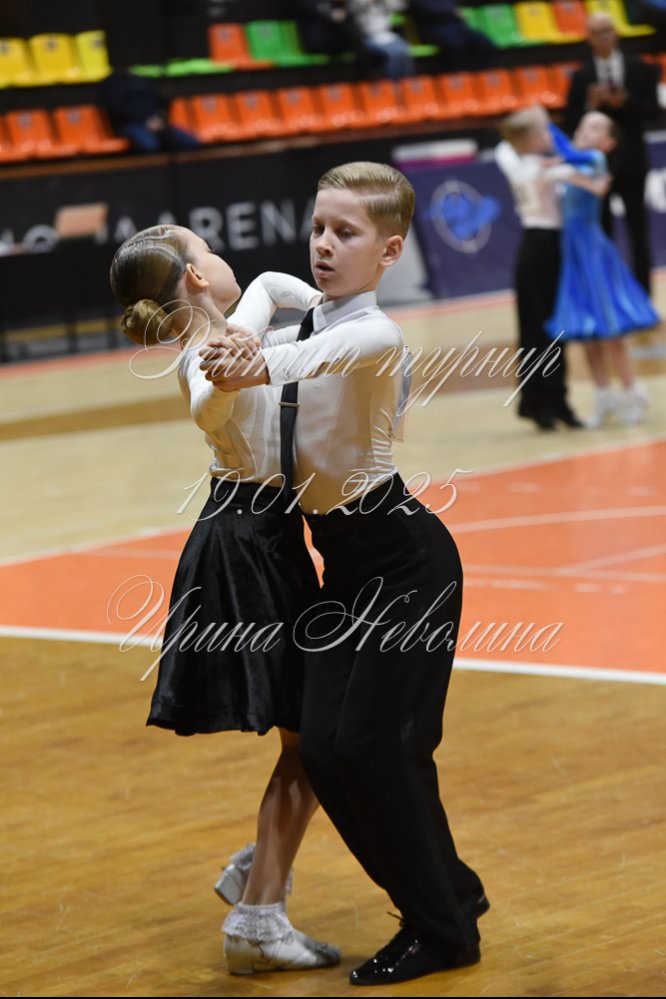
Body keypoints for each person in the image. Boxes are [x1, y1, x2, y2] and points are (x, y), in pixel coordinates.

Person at [200, 161, 488, 986]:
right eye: (319, 227)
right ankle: (449, 891)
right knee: (324, 752)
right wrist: (238, 330)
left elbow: (289, 361)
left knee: (375, 748)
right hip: (348, 569)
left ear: (390, 251)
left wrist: (244, 348)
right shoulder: (310, 319)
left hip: (406, 563)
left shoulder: (375, 337)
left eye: (347, 232)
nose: (324, 244)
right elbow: (267, 299)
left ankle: (441, 930)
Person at [109, 226, 340, 974]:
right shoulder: (200, 360)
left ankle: (259, 878)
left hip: (263, 535)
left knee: (312, 736)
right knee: (314, 734)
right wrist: (230, 376)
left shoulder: (238, 326)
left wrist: (339, 312)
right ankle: (258, 908)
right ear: (197, 278)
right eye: (205, 250)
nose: (219, 257)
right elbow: (209, 405)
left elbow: (273, 285)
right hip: (245, 546)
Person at [495, 106, 609, 431]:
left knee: (538, 329)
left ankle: (542, 402)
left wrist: (552, 158)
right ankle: (549, 402)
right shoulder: (543, 171)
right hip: (544, 250)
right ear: (533, 139)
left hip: (534, 248)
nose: (552, 135)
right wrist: (594, 169)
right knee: (549, 330)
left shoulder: (524, 165)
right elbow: (595, 185)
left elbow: (515, 149)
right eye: (546, 130)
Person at [545, 111, 656, 428]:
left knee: (609, 332)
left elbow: (568, 156)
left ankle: (633, 392)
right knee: (587, 335)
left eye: (595, 128)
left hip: (592, 250)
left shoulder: (594, 159)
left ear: (608, 143)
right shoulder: (576, 163)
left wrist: (548, 129)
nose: (585, 130)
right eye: (583, 125)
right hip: (572, 251)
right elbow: (563, 157)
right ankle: (603, 396)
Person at [564, 12, 660, 293]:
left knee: (638, 231)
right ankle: (608, 293)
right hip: (597, 166)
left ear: (616, 33)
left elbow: (653, 111)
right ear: (588, 39)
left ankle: (643, 295)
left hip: (632, 162)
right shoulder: (581, 76)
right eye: (597, 32)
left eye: (607, 30)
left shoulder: (640, 68)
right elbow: (570, 121)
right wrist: (591, 105)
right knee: (602, 231)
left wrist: (626, 101)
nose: (604, 37)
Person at [295, 0, 415, 79]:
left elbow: (400, 5)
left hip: (377, 37)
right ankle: (390, 87)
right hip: (329, 41)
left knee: (403, 50)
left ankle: (407, 87)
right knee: (390, 54)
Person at [100, 67, 200, 153]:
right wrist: (145, 122)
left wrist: (158, 118)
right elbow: (118, 110)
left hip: (154, 122)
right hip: (130, 125)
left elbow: (159, 104)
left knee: (189, 141)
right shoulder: (111, 83)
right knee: (149, 145)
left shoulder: (143, 80)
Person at [408, 0, 496, 71]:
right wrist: (452, 11)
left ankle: (475, 74)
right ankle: (458, 75)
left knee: (484, 43)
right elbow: (432, 9)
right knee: (455, 44)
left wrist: (454, 12)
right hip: (433, 28)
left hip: (455, 25)